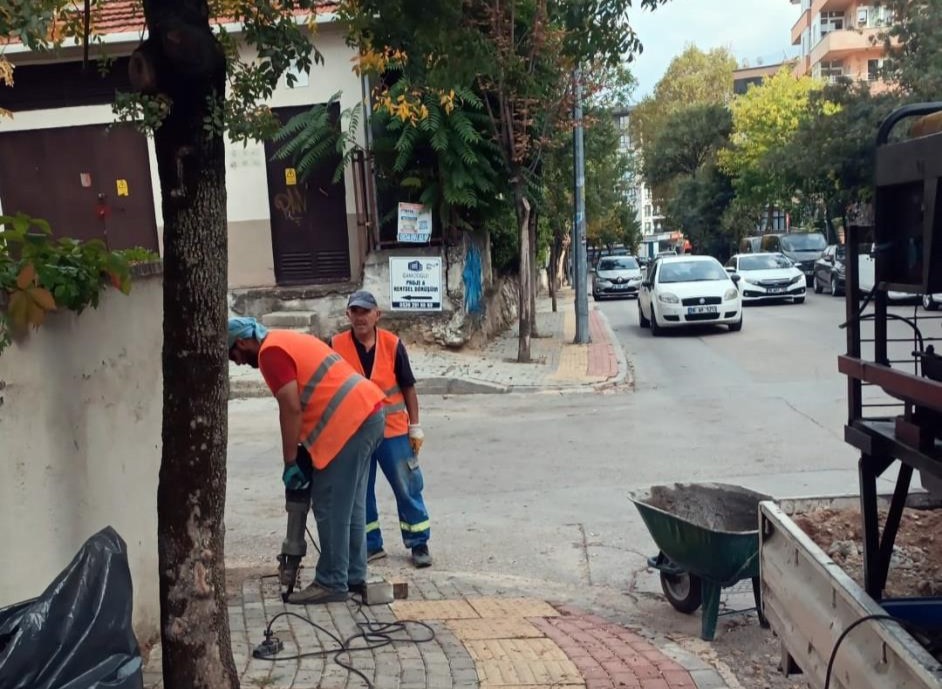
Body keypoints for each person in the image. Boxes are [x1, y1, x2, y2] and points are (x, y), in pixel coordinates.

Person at [228, 316, 386, 603]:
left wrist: (290, 461)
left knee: (330, 504)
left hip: (350, 423)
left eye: (233, 355)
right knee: (350, 505)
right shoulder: (286, 338)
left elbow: (290, 407)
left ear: (242, 342)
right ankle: (353, 575)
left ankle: (331, 582)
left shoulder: (270, 354)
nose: (237, 362)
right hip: (369, 414)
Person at [329, 291, 432, 568]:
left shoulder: (392, 345)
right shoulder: (336, 345)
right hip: (355, 433)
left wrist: (415, 425)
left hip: (393, 431)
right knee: (360, 491)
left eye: (366, 311)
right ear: (347, 314)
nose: (360, 317)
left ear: (377, 315)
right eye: (355, 311)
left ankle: (419, 542)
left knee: (406, 485)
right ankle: (371, 545)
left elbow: (408, 387)